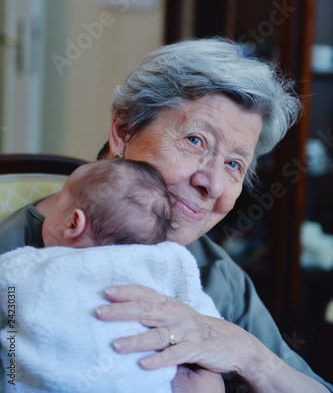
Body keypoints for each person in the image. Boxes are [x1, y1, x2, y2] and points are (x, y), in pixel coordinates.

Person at [0, 37, 332, 392]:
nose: (214, 184)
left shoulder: (213, 273)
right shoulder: (13, 265)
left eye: (234, 163)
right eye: (195, 141)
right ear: (123, 132)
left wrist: (250, 355)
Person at [0, 159, 222, 393]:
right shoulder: (168, 261)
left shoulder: (30, 264)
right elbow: (207, 325)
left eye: (55, 206)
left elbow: (8, 290)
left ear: (73, 222)